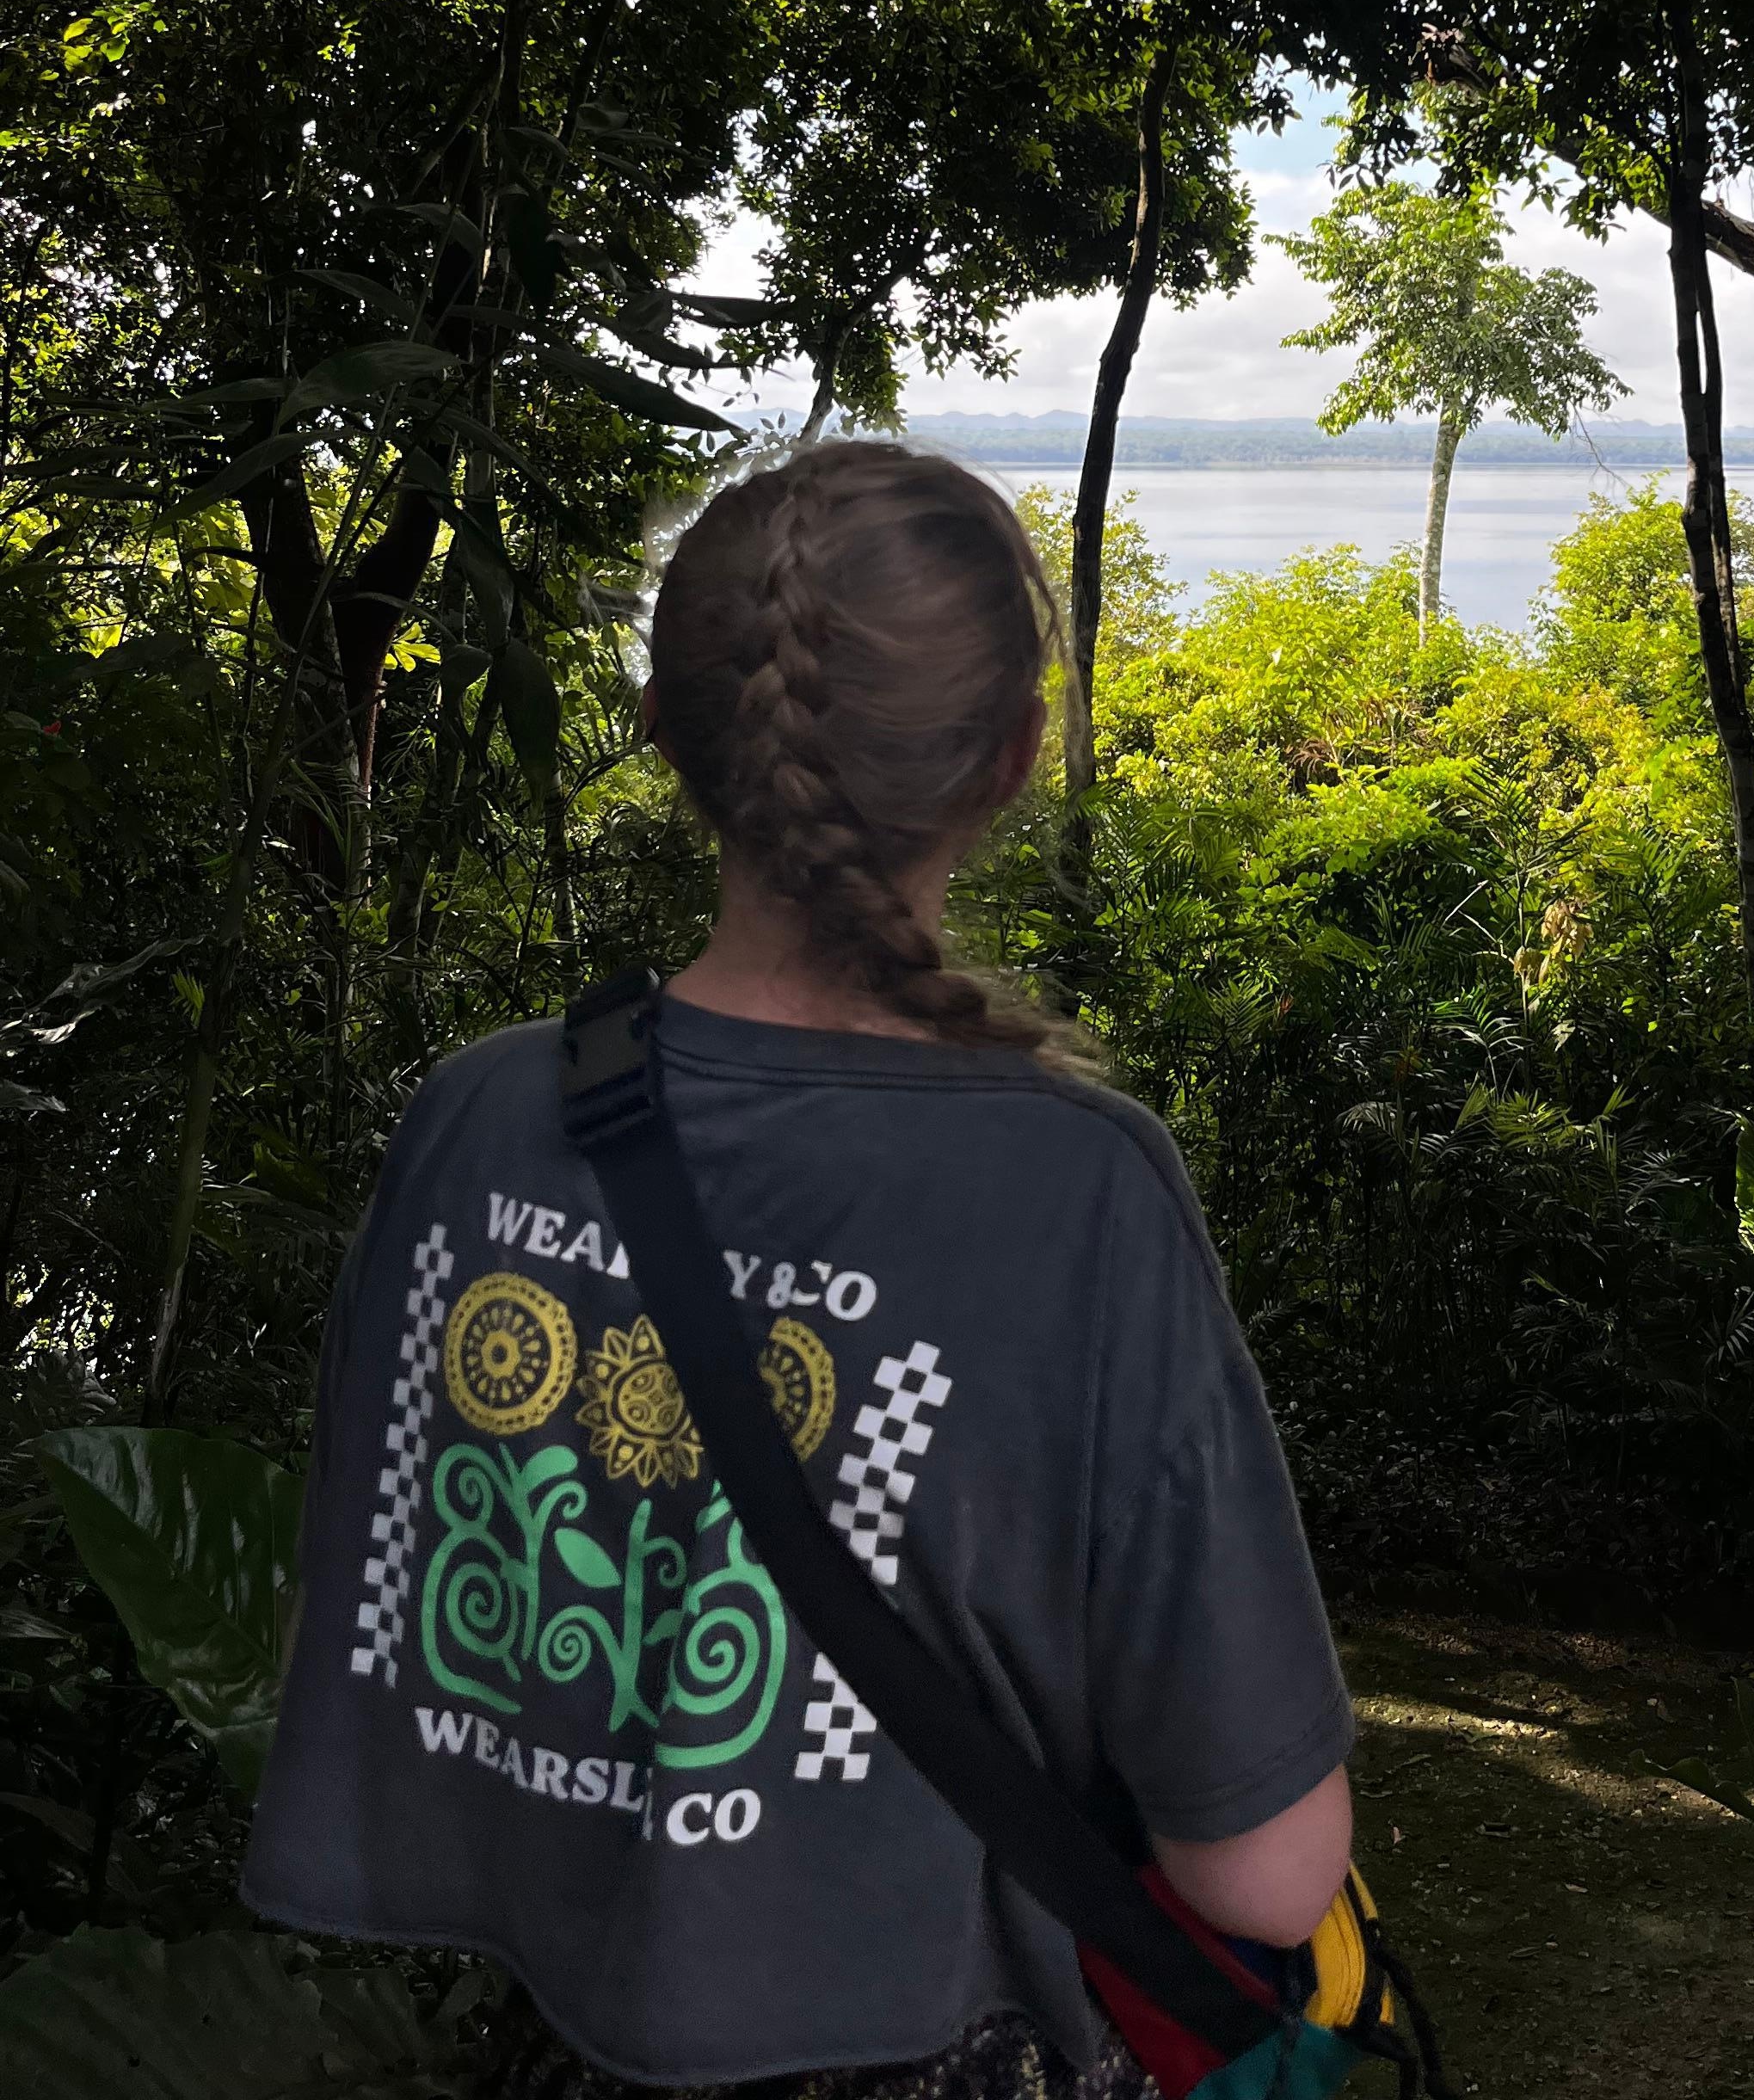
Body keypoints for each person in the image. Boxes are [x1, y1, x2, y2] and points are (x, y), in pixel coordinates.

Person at [245, 440, 1357, 2099]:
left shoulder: (482, 1120)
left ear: (666, 734)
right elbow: (1260, 1874)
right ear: (1014, 759)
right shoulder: (1073, 1194)